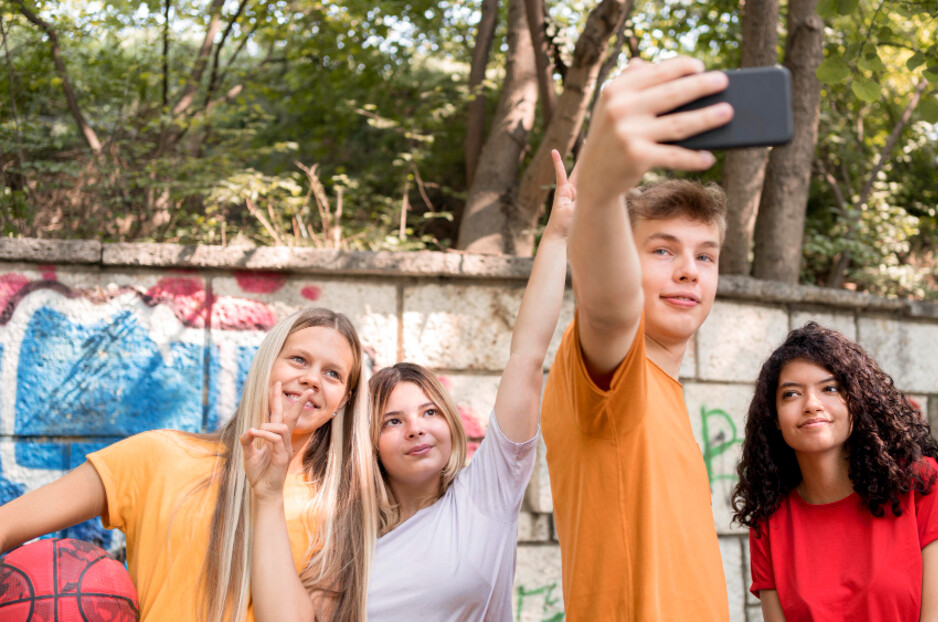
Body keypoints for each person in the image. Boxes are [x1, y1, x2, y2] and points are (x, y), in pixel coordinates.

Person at [246, 150, 574, 621]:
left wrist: (559, 232)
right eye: (393, 421)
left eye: (429, 413)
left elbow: (526, 355)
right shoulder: (346, 539)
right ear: (371, 444)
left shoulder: (485, 494)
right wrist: (267, 495)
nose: (417, 429)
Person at [0, 307, 375, 622]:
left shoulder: (338, 512)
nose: (311, 380)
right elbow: (8, 523)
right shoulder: (158, 457)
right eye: (299, 360)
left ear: (343, 400)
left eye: (333, 374)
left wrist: (268, 495)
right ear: (267, 364)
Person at [540, 56, 734, 621]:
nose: (688, 271)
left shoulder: (668, 395)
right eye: (662, 250)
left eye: (705, 256)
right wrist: (600, 190)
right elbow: (610, 302)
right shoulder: (609, 365)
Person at [731, 322, 938, 621]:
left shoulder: (918, 482)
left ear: (857, 403)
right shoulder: (769, 520)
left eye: (830, 388)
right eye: (791, 394)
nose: (812, 405)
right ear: (775, 418)